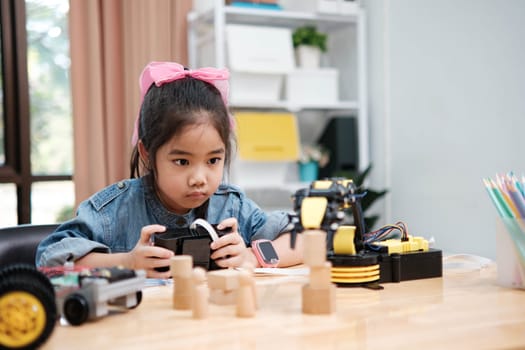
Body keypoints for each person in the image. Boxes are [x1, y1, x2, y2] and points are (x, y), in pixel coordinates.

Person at [36, 61, 303, 278]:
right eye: (182, 162)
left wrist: (252, 255)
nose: (200, 179)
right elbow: (50, 259)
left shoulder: (231, 205)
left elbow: (305, 237)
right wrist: (127, 262)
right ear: (147, 154)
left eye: (213, 160)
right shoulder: (113, 212)